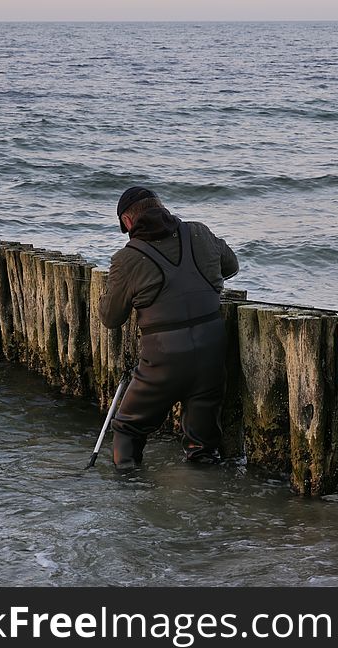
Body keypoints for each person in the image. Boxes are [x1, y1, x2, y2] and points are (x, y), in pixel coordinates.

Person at [99, 186, 239, 472]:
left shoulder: (127, 259)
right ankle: (206, 499)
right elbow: (231, 266)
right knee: (203, 446)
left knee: (128, 428)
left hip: (163, 362)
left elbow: (111, 318)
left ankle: (129, 496)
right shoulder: (199, 232)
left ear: (127, 222)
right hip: (211, 354)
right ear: (161, 207)